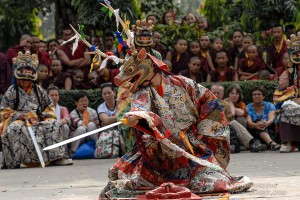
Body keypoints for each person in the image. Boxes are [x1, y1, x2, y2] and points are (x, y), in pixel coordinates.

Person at [100, 48, 253, 198]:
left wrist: (201, 131)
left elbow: (209, 101)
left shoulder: (182, 83)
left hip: (189, 146)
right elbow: (140, 108)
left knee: (209, 182)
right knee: (133, 182)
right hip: (160, 150)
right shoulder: (141, 92)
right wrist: (135, 116)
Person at [0, 51, 72, 169]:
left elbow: (49, 106)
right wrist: (20, 116)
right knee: (16, 128)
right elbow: (4, 110)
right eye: (23, 80)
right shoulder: (12, 90)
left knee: (54, 124)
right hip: (19, 119)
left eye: (28, 80)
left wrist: (42, 115)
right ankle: (21, 160)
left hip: (38, 118)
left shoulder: (38, 90)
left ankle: (57, 157)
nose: (26, 82)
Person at [211, 84, 267, 152]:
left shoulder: (226, 105)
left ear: (222, 94)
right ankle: (251, 143)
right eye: (214, 92)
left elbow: (229, 120)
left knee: (237, 121)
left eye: (218, 93)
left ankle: (251, 143)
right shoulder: (204, 103)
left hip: (222, 128)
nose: (216, 94)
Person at [273, 47, 300, 152]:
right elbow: (281, 89)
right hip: (292, 99)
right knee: (288, 109)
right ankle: (287, 142)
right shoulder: (288, 73)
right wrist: (293, 98)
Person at [47, 85, 71, 149]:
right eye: (52, 95)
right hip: (48, 129)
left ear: (59, 97)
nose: (54, 97)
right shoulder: (44, 109)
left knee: (65, 126)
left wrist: (56, 123)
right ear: (47, 96)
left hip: (59, 127)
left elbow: (67, 119)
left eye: (56, 95)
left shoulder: (63, 109)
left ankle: (65, 149)